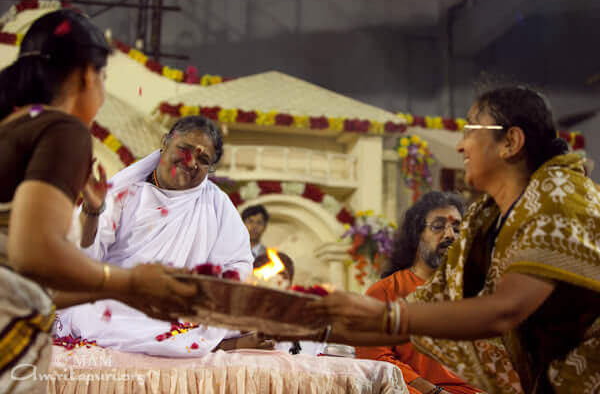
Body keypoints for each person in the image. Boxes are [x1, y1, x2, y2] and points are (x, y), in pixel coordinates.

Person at [306, 86, 600, 394]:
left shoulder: (560, 198)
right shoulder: (487, 219)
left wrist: (386, 314)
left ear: (510, 142)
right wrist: (307, 326)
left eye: (471, 129)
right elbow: (417, 317)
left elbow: (504, 310)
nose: (461, 146)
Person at [0, 10, 196, 392]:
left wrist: (121, 290)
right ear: (88, 74)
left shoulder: (13, 127)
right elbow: (33, 254)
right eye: (104, 78)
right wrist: (132, 279)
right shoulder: (62, 127)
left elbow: (33, 280)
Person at [57, 115, 268, 357]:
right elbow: (85, 256)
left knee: (243, 315)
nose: (191, 162)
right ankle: (213, 345)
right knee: (94, 311)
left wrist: (201, 293)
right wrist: (92, 210)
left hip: (184, 307)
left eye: (203, 159)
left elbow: (237, 263)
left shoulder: (217, 204)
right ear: (165, 141)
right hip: (121, 301)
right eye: (185, 149)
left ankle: (207, 340)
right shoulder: (125, 192)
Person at [356, 192, 481, 394]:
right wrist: (435, 392)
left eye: (457, 228)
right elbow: (376, 361)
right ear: (416, 234)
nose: (450, 235)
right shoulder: (387, 291)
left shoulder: (477, 292)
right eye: (438, 226)